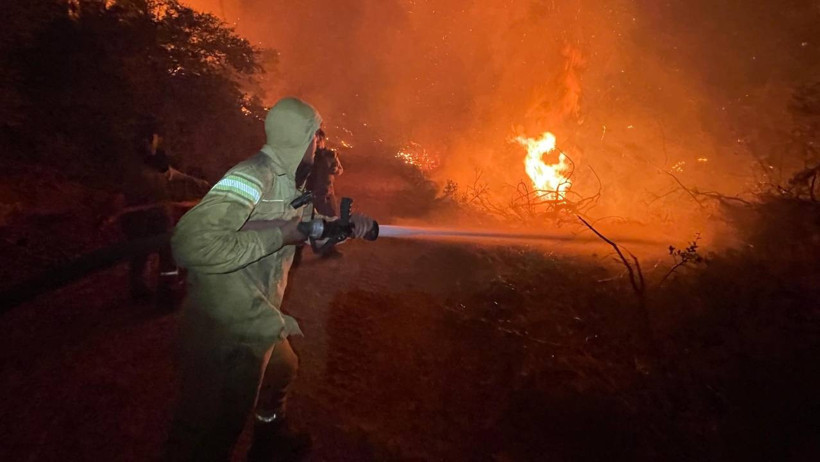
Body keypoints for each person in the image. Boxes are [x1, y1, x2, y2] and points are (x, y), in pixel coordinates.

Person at [165, 97, 374, 462]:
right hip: (226, 321)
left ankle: (269, 438)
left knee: (282, 367)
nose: (320, 144)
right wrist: (278, 236)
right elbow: (191, 243)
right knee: (216, 424)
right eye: (315, 136)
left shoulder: (294, 185)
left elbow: (308, 231)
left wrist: (342, 228)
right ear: (299, 136)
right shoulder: (251, 177)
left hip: (256, 312)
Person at [120, 127, 179, 307]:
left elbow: (173, 177)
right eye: (154, 139)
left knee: (157, 252)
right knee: (152, 252)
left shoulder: (153, 163)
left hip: (152, 216)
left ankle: (162, 289)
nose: (157, 141)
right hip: (146, 217)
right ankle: (158, 290)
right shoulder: (137, 168)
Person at [307, 128, 345, 258]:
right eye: (315, 140)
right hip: (311, 194)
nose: (317, 142)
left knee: (331, 220)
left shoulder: (330, 155)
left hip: (327, 193)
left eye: (319, 140)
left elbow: (340, 169)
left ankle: (329, 249)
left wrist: (335, 169)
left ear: (323, 140)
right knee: (308, 222)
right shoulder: (308, 155)